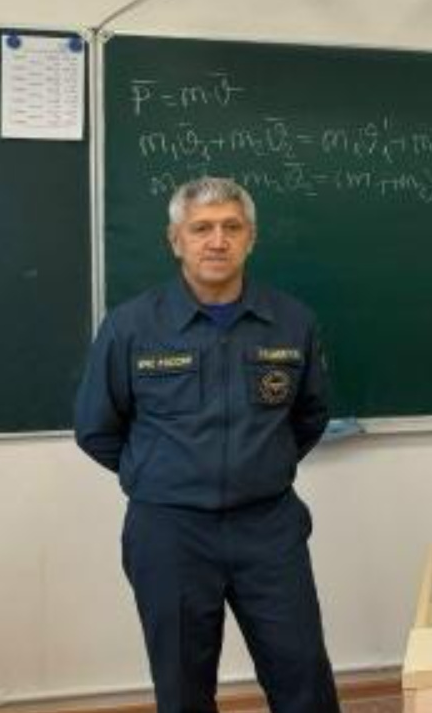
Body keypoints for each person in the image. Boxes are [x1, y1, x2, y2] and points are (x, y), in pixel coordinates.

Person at [75, 176, 339, 713]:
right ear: (176, 240)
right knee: (182, 688)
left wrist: (259, 467)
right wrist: (162, 474)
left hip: (269, 528)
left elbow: (309, 416)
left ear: (250, 239)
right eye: (201, 229)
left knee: (304, 677)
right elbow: (96, 428)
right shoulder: (130, 327)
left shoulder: (292, 322)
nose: (217, 241)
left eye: (231, 227)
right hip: (170, 532)